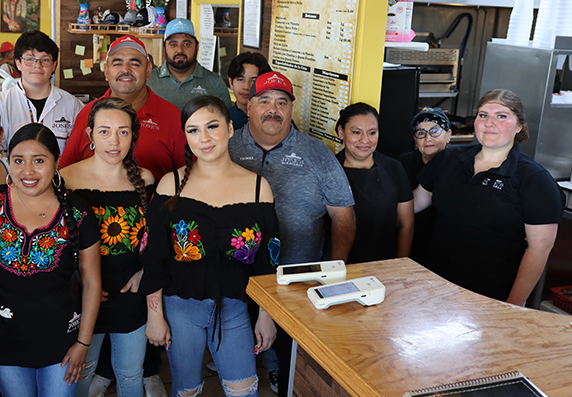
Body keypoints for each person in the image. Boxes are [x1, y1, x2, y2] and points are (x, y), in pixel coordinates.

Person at [142, 96, 280, 397]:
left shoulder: (258, 188)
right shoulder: (170, 185)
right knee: (186, 391)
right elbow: (154, 258)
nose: (203, 138)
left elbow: (267, 262)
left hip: (235, 308)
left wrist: (266, 315)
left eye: (212, 126)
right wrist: (154, 315)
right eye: (193, 130)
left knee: (244, 391)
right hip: (179, 308)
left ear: (230, 128)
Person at [227, 72, 355, 396]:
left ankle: (279, 372)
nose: (273, 109)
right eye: (264, 101)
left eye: (282, 102)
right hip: (233, 275)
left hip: (296, 279)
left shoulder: (317, 153)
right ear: (248, 106)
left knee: (291, 358)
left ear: (291, 109)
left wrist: (335, 270)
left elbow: (343, 213)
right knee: (234, 353)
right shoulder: (227, 147)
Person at [0, 123, 102, 396]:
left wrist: (83, 344)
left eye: (39, 160)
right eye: (18, 160)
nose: (28, 171)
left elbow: (92, 282)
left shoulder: (78, 212)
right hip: (4, 334)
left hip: (62, 337)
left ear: (56, 163)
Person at [413, 89, 562, 306]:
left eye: (501, 116)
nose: (489, 123)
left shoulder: (534, 179)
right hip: (434, 288)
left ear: (519, 125)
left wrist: (512, 305)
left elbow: (540, 248)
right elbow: (415, 203)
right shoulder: (449, 158)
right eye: (483, 115)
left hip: (491, 297)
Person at [60, 98, 156, 397]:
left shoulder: (145, 179)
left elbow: (154, 237)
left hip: (130, 294)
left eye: (123, 132)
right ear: (89, 134)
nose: (114, 141)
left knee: (131, 373)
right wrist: (79, 281)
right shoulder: (67, 179)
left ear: (133, 136)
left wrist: (144, 272)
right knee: (81, 373)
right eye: (104, 131)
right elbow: (56, 241)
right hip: (83, 295)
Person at [58, 35, 185, 180]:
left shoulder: (173, 117)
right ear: (106, 71)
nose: (126, 70)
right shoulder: (88, 113)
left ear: (148, 70)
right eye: (117, 63)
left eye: (135, 64)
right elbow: (65, 171)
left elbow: (189, 175)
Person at [335, 103, 413, 263]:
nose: (365, 140)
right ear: (341, 132)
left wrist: (400, 267)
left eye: (372, 133)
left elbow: (406, 224)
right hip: (340, 265)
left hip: (384, 264)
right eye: (356, 132)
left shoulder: (393, 168)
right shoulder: (328, 170)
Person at [0, 30, 84, 154]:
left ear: (54, 65)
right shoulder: (0, 105)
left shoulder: (73, 106)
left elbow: (78, 152)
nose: (37, 65)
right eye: (30, 59)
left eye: (45, 60)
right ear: (18, 63)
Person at [398, 107, 452, 266]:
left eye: (435, 131)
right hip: (411, 242)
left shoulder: (460, 165)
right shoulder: (403, 163)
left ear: (448, 135)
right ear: (415, 139)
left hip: (445, 247)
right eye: (421, 133)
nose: (428, 138)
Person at [147, 19, 233, 109]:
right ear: (164, 49)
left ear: (197, 48)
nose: (180, 50)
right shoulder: (148, 81)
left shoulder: (215, 83)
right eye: (173, 45)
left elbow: (225, 117)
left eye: (186, 44)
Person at [226, 52, 272, 130]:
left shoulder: (275, 117)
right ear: (231, 82)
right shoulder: (222, 118)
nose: (246, 87)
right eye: (240, 79)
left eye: (254, 81)